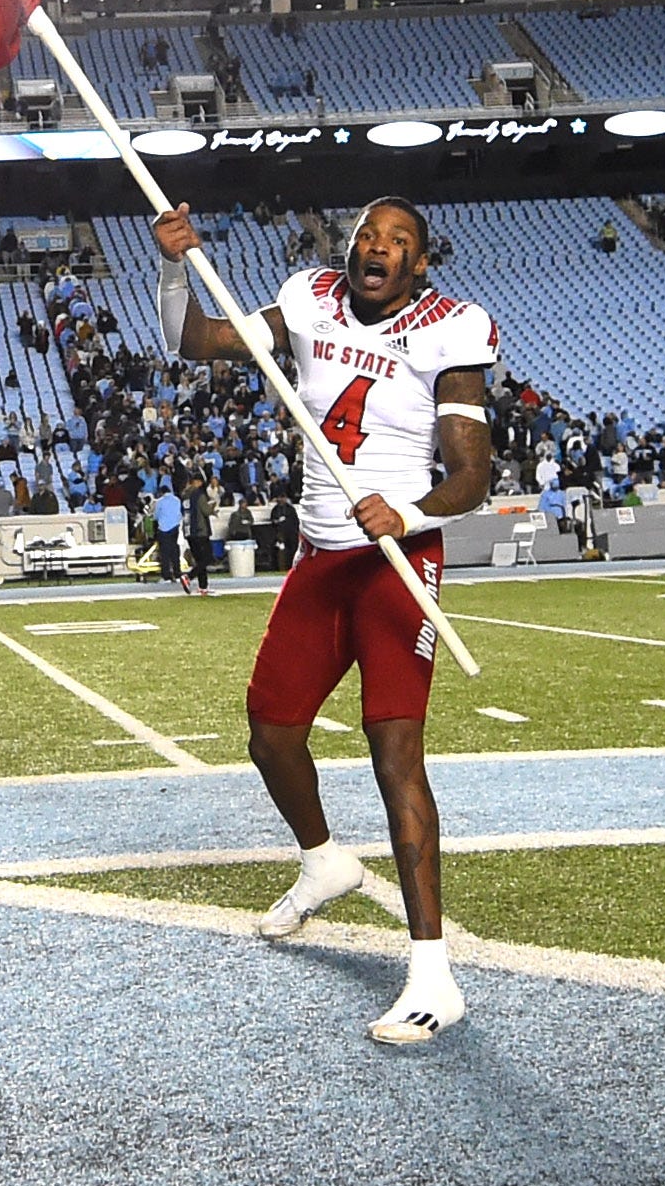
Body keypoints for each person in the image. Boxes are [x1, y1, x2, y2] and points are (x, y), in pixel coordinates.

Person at [153, 194, 496, 1045]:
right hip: (319, 555)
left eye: (397, 241)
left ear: (420, 262)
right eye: (366, 236)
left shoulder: (452, 329)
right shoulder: (306, 297)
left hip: (394, 560)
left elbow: (472, 473)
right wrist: (171, 264)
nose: (376, 248)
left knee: (394, 755)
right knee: (269, 734)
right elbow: (195, 342)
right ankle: (322, 861)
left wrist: (411, 514)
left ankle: (431, 973)